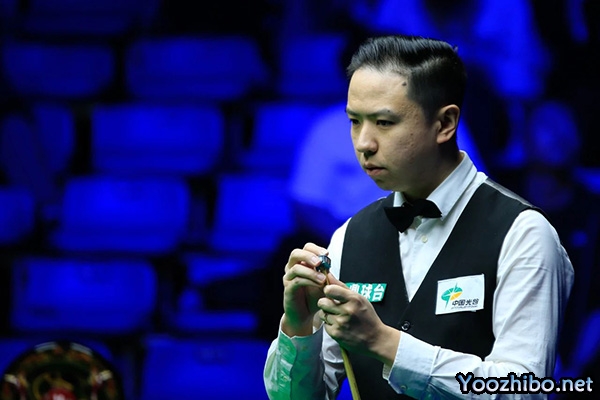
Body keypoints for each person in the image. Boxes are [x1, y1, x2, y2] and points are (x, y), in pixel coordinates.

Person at [263, 35, 574, 399]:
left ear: (445, 124)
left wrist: (384, 342)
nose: (363, 143)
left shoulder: (523, 233)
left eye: (384, 122)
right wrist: (299, 330)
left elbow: (523, 390)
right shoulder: (349, 237)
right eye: (355, 121)